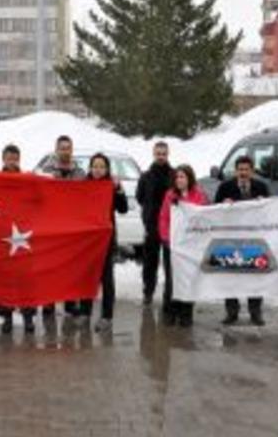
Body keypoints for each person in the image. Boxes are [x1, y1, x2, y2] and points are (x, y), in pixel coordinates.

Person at [214, 155, 271, 326]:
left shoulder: (261, 187)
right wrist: (223, 204)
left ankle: (255, 312)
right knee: (231, 275)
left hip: (254, 239)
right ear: (235, 170)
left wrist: (265, 204)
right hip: (230, 239)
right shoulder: (225, 187)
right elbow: (214, 211)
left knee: (255, 275)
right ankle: (231, 312)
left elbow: (271, 213)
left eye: (246, 169)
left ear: (252, 171)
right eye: (240, 169)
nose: (243, 173)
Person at [77, 153, 128, 333]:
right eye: (95, 166)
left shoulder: (111, 186)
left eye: (101, 166)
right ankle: (85, 312)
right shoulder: (84, 186)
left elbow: (123, 209)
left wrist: (120, 190)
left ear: (107, 169)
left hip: (106, 239)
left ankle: (107, 316)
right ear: (90, 168)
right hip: (88, 240)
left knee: (107, 280)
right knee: (87, 277)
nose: (98, 169)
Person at [40, 135, 87, 319]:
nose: (65, 151)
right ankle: (48, 303)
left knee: (70, 268)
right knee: (50, 267)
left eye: (68, 148)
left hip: (72, 228)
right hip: (51, 227)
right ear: (56, 150)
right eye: (62, 148)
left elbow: (87, 197)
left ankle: (69, 302)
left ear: (71, 150)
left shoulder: (80, 174)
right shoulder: (46, 171)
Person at [0, 144, 38, 335]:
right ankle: (7, 317)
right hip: (3, 238)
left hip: (23, 237)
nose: (12, 162)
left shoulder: (27, 180)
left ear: (19, 160)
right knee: (4, 281)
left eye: (15, 158)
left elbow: (38, 200)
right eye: (9, 158)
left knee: (26, 280)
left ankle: (28, 317)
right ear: (3, 159)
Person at [157, 164, 208, 328]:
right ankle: (171, 312)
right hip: (172, 245)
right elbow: (164, 218)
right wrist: (166, 238)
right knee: (172, 280)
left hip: (190, 246)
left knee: (188, 279)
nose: (179, 180)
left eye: (183, 177)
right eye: (177, 177)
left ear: (189, 178)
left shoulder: (199, 195)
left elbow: (205, 217)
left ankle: (186, 313)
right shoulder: (170, 195)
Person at [136, 141, 174, 308]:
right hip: (151, 224)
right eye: (158, 153)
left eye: (163, 153)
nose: (161, 156)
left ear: (168, 154)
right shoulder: (146, 176)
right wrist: (148, 213)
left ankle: (169, 294)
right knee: (150, 262)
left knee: (169, 262)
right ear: (153, 154)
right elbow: (139, 197)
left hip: (171, 226)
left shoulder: (174, 175)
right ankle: (148, 292)